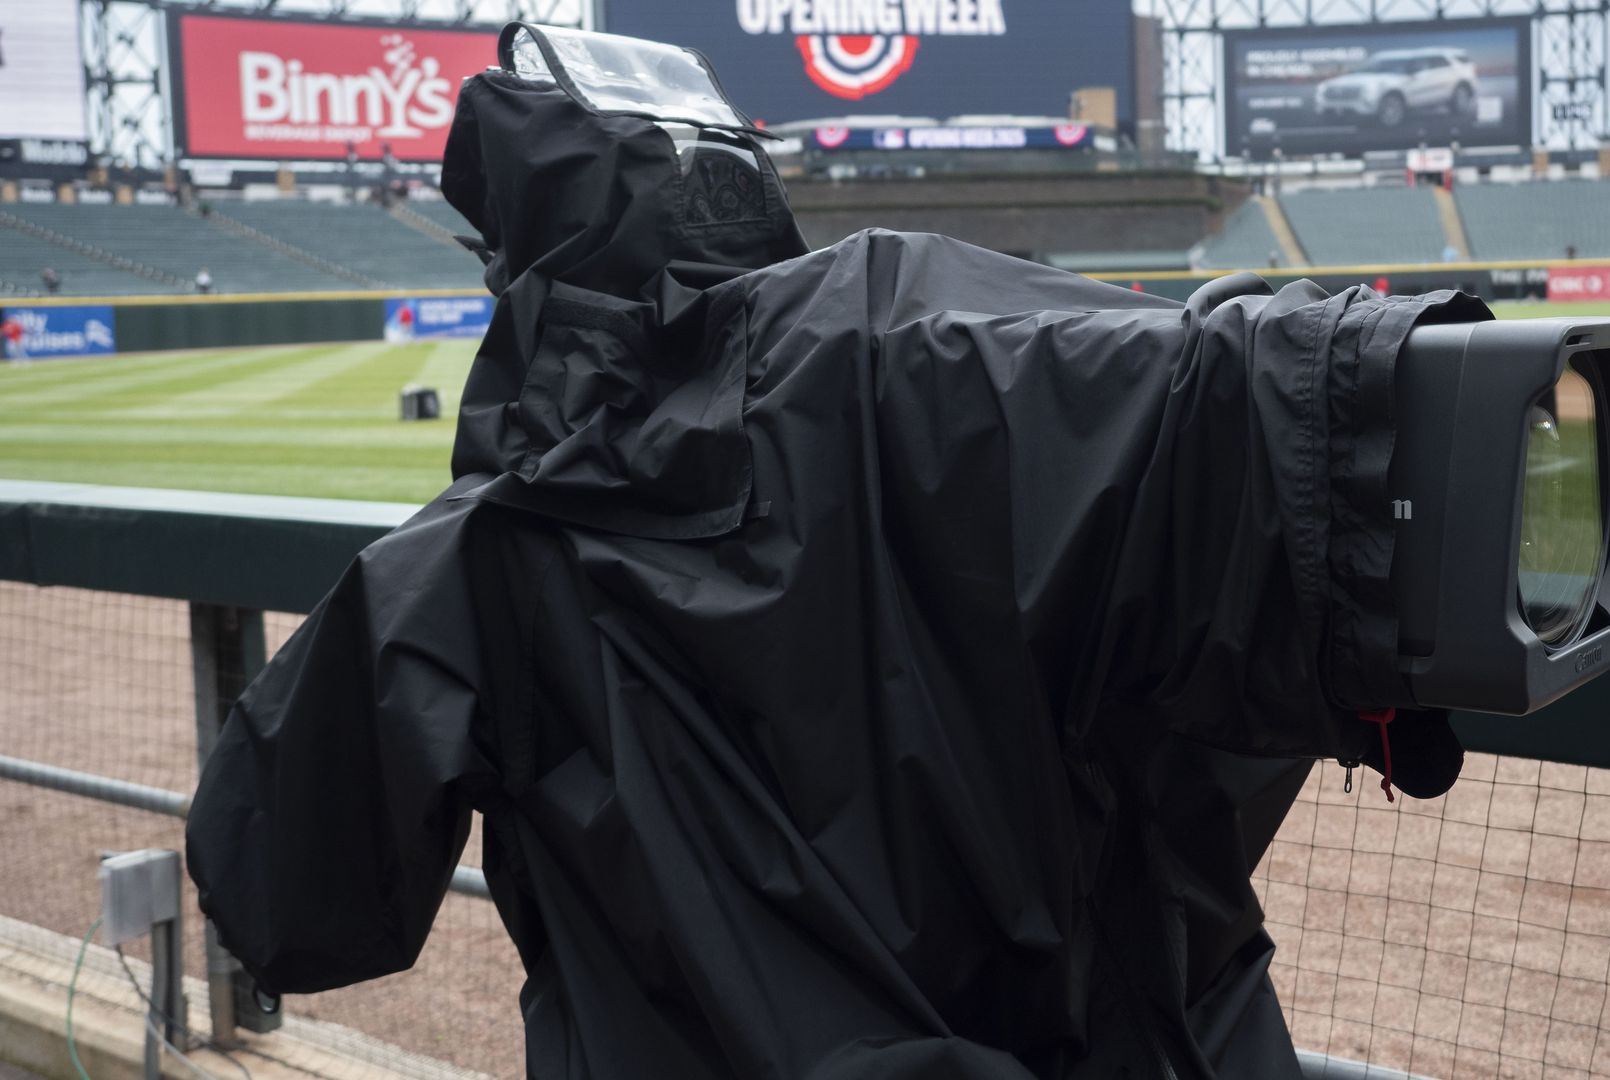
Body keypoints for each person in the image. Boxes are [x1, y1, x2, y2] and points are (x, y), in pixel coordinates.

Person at [186, 38, 1473, 1080]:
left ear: (525, 259)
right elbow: (1268, 416)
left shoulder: (481, 559)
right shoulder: (948, 351)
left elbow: (290, 902)